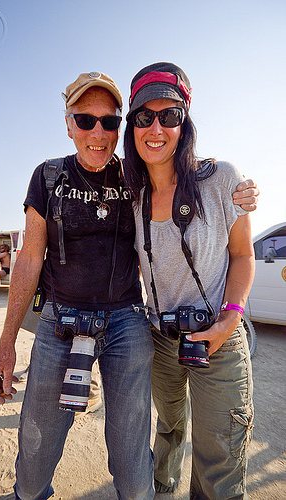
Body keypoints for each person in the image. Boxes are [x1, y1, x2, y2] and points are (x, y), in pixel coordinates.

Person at [0, 71, 258, 500]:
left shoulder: (138, 176)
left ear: (119, 127)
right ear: (68, 124)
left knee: (135, 469)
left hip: (128, 321)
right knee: (36, 453)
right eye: (85, 120)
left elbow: (192, 177)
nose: (98, 133)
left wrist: (241, 193)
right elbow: (29, 258)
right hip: (67, 320)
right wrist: (4, 348)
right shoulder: (51, 177)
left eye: (109, 122)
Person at [123, 62, 255, 500]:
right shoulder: (132, 193)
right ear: (132, 127)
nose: (156, 127)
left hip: (218, 336)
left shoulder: (221, 180)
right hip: (161, 340)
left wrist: (229, 319)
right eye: (144, 116)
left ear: (186, 123)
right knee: (170, 425)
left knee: (221, 449)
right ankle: (163, 487)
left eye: (170, 116)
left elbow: (242, 255)